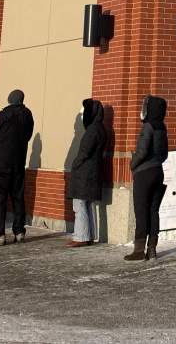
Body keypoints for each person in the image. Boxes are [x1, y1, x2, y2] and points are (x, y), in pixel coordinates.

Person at [0, 89, 34, 245]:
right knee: (18, 196)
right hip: (18, 161)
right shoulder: (28, 116)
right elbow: (28, 136)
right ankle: (19, 231)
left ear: (10, 99)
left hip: (2, 161)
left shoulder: (3, 115)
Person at [126, 95, 168, 261]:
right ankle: (152, 248)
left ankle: (138, 250)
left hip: (144, 173)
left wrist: (132, 163)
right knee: (153, 210)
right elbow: (164, 154)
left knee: (141, 211)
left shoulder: (147, 127)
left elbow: (142, 151)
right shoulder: (162, 127)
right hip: (158, 171)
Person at [67, 99, 105, 248]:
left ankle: (81, 236)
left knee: (79, 205)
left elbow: (84, 152)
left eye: (85, 112)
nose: (83, 116)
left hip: (85, 173)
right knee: (89, 205)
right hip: (93, 172)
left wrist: (75, 164)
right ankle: (89, 235)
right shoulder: (100, 129)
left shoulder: (92, 130)